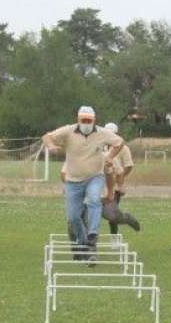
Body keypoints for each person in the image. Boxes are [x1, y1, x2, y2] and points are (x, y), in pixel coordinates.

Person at [42, 106, 123, 264]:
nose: (86, 123)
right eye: (83, 120)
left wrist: (110, 156)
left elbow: (119, 142)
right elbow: (46, 136)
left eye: (89, 120)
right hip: (73, 180)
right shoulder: (68, 131)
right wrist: (51, 146)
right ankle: (83, 239)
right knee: (73, 217)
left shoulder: (102, 133)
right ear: (78, 120)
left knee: (94, 200)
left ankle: (92, 236)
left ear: (94, 120)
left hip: (95, 177)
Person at [102, 122, 140, 241]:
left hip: (114, 185)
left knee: (113, 215)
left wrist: (120, 182)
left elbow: (128, 166)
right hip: (98, 184)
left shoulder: (123, 148)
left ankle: (114, 238)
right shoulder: (100, 146)